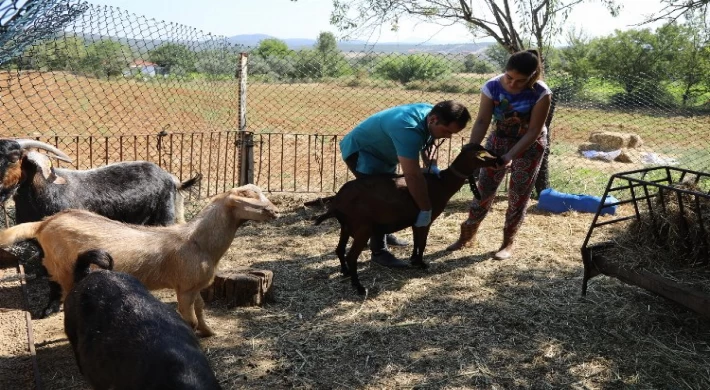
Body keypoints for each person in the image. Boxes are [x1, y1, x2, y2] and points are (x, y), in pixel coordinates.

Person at [446, 49, 552, 260]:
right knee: (484, 189)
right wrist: (473, 149)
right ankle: (467, 235)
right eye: (509, 77)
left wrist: (510, 156)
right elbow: (483, 121)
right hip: (498, 141)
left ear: (532, 76)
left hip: (530, 145)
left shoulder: (541, 93)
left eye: (520, 81)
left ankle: (507, 243)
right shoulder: (492, 86)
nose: (512, 84)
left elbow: (533, 131)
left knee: (518, 194)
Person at [340, 100, 472, 268]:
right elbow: (413, 175)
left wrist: (432, 166)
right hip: (363, 152)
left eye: (452, 133)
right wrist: (425, 209)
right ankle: (379, 251)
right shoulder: (407, 129)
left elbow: (426, 141)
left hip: (385, 153)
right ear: (433, 120)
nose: (448, 136)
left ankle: (384, 233)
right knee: (379, 200)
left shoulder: (430, 114)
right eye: (446, 131)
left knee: (389, 193)